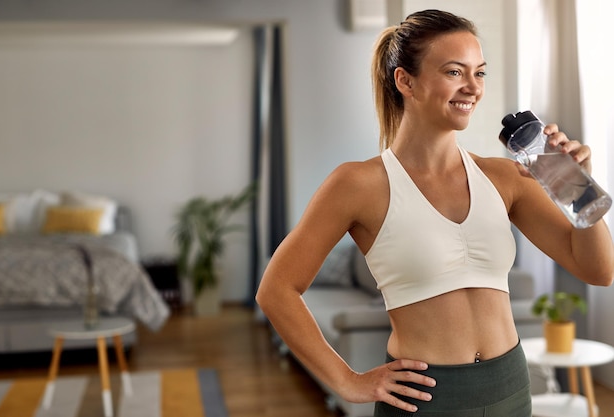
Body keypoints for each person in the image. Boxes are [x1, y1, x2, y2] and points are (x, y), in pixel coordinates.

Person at [256, 9, 614, 417]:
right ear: (405, 81)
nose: (472, 87)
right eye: (453, 72)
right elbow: (276, 289)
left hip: (510, 389)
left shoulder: (504, 177)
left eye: (479, 73)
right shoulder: (358, 184)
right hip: (426, 400)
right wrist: (347, 381)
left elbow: (599, 271)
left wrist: (579, 189)